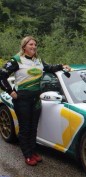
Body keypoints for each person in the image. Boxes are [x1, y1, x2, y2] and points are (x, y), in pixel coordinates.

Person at [0, 36, 71, 166]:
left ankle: (33, 151)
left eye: (35, 44)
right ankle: (27, 155)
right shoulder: (16, 60)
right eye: (30, 44)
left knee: (33, 128)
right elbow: (1, 75)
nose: (33, 47)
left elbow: (49, 68)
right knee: (25, 129)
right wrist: (10, 91)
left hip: (36, 99)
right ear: (24, 47)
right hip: (22, 100)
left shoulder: (37, 60)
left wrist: (62, 66)